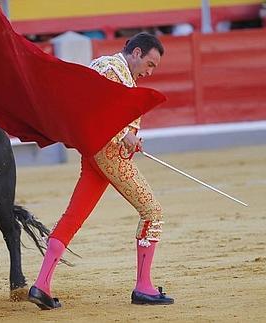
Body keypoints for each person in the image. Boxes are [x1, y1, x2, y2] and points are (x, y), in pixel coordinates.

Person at [27, 32, 174, 310]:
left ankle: (41, 285)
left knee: (73, 217)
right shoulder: (111, 70)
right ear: (136, 53)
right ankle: (144, 287)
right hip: (109, 154)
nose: (150, 72)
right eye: (150, 64)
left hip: (94, 156)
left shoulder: (107, 66)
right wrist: (123, 136)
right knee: (152, 213)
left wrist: (128, 136)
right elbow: (92, 108)